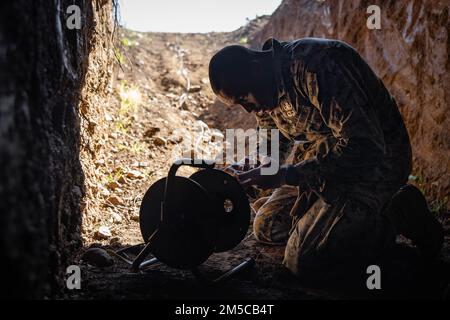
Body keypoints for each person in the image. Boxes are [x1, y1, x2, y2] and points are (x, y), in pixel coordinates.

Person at [208, 37, 444, 280]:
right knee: (268, 226)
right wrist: (260, 162)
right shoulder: (265, 89)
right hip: (324, 162)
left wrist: (288, 175)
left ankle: (396, 213)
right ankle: (345, 221)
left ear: (256, 67)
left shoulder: (318, 65)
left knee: (306, 261)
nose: (248, 109)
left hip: (378, 162)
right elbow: (272, 138)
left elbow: (365, 146)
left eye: (243, 98)